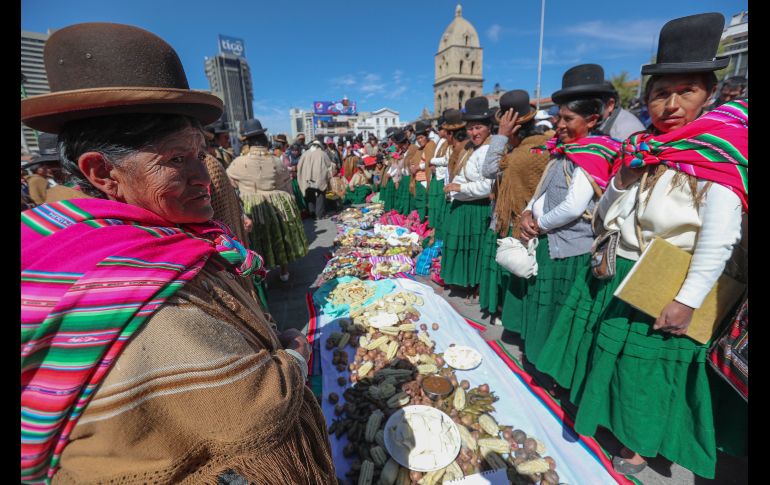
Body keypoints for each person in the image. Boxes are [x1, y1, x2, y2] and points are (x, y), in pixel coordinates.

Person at [20, 22, 335, 484]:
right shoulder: (128, 281)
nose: (203, 177)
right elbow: (249, 411)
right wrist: (291, 358)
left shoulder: (66, 234)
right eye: (175, 160)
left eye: (200, 154)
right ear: (102, 172)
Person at [565, 14, 746, 478]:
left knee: (650, 372)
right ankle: (619, 422)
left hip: (672, 280)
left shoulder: (717, 154)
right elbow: (606, 214)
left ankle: (644, 444)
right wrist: (622, 182)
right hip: (628, 272)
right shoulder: (643, 149)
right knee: (622, 362)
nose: (670, 104)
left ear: (710, 93)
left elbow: (717, 240)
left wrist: (686, 299)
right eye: (661, 93)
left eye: (686, 91)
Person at [513, 65, 622, 372]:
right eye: (558, 117)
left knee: (559, 310)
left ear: (592, 119)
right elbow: (543, 191)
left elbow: (574, 208)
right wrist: (526, 212)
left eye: (567, 119)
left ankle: (553, 369)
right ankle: (537, 357)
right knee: (543, 305)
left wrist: (540, 224)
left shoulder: (594, 153)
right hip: (550, 242)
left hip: (571, 248)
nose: (558, 124)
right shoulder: (564, 151)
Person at [477, 90, 550, 317]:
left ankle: (512, 319)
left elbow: (488, 169)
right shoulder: (528, 147)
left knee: (517, 272)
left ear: (514, 128)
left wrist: (501, 136)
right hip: (523, 217)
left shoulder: (523, 153)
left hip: (521, 220)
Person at [227, 119, 309, 283]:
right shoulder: (275, 161)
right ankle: (284, 271)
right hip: (276, 205)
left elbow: (229, 183)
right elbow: (285, 183)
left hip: (253, 207)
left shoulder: (239, 162)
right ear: (264, 140)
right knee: (279, 236)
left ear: (248, 142)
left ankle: (259, 274)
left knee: (258, 240)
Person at [440, 97, 494, 297]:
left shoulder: (489, 150)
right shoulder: (470, 148)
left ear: (488, 127)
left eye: (478, 127)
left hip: (475, 208)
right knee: (461, 247)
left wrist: (460, 187)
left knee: (472, 249)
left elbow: (489, 185)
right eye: (470, 128)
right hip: (462, 204)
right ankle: (462, 282)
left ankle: (472, 284)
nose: (474, 132)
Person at [297, 139, 334, 219]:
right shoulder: (322, 153)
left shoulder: (305, 154)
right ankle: (319, 214)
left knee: (309, 195)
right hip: (319, 177)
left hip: (307, 178)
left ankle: (312, 213)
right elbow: (329, 165)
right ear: (319, 146)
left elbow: (299, 166)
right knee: (320, 194)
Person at [409, 120, 437, 222]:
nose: (420, 140)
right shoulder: (420, 149)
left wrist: (418, 167)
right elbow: (413, 161)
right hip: (418, 179)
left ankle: (426, 224)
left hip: (426, 180)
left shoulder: (431, 145)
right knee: (420, 204)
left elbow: (430, 161)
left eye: (422, 137)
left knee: (426, 205)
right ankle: (420, 223)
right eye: (418, 139)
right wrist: (412, 166)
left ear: (427, 136)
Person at [393, 129, 418, 216]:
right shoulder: (403, 153)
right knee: (403, 202)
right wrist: (397, 179)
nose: (402, 147)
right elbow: (400, 167)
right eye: (400, 145)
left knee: (411, 201)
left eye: (403, 144)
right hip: (404, 179)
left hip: (410, 179)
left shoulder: (414, 149)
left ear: (407, 142)